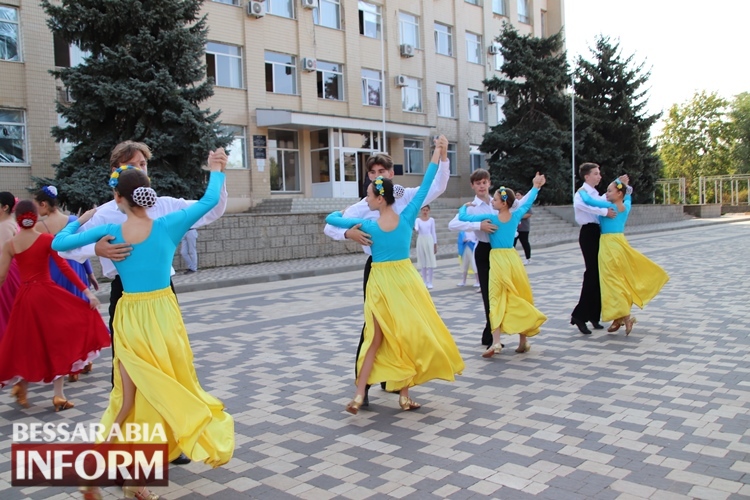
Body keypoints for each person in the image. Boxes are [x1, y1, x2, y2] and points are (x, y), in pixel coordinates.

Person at [52, 157, 234, 500]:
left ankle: (114, 478)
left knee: (126, 400)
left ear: (119, 200)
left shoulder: (111, 233)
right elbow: (210, 201)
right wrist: (216, 166)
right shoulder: (168, 224)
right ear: (147, 195)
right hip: (163, 318)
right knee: (161, 393)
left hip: (130, 319)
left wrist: (81, 223)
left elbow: (58, 244)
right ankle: (133, 479)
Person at [57, 141, 227, 425]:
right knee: (128, 372)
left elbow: (212, 208)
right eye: (133, 165)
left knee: (166, 365)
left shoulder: (165, 206)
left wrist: (221, 175)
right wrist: (96, 250)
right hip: (125, 293)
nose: (140, 170)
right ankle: (133, 432)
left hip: (160, 296)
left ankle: (167, 432)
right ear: (116, 173)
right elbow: (66, 250)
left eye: (143, 164)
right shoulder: (107, 215)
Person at [325, 141, 464, 415]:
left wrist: (442, 156)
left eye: (381, 170)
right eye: (372, 171)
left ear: (390, 173)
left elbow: (434, 186)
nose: (376, 175)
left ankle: (389, 382)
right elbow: (332, 225)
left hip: (397, 273)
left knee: (396, 330)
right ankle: (364, 391)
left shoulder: (406, 197)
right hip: (378, 269)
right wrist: (348, 233)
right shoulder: (364, 206)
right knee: (374, 330)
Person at [0, 200, 110, 412]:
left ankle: (21, 385)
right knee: (56, 341)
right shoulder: (46, 240)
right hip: (48, 295)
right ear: (34, 217)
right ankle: (58, 395)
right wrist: (86, 292)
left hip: (25, 299)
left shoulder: (11, 245)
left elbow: (2, 276)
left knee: (25, 341)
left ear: (19, 219)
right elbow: (65, 267)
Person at [457, 174, 548, 356]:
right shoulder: (515, 215)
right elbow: (528, 202)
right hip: (512, 260)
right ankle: (523, 340)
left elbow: (463, 216)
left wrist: (464, 206)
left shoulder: (491, 218)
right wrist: (536, 187)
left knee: (496, 298)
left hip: (497, 260)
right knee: (519, 295)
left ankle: (496, 342)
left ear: (504, 203)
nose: (493, 201)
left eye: (496, 199)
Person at [577, 178, 669, 334]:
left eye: (610, 191)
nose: (606, 193)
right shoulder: (625, 206)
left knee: (611, 281)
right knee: (618, 280)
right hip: (620, 242)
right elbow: (629, 195)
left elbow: (589, 201)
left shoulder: (609, 206)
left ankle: (625, 317)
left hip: (609, 245)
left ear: (619, 193)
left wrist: (582, 190)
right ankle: (619, 318)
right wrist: (620, 182)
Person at [34, 185, 99, 381]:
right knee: (79, 314)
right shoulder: (72, 221)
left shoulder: (40, 227)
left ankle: (68, 361)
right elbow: (83, 249)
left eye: (38, 205)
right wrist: (90, 274)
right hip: (76, 270)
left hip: (54, 273)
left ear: (44, 204)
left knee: (60, 317)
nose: (37, 210)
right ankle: (83, 359)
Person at [570, 163, 628, 335]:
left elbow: (605, 198)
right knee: (592, 273)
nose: (599, 176)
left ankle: (594, 314)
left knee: (599, 273)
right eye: (596, 173)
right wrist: (604, 213)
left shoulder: (595, 193)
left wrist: (619, 182)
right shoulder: (581, 192)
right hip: (588, 233)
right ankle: (579, 315)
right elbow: (583, 206)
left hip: (598, 233)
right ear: (587, 176)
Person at [0, 191, 20, 341]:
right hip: (12, 271)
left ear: (5, 207)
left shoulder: (5, 226)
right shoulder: (11, 223)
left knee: (5, 312)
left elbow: (3, 253)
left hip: (5, 272)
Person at [414, 205, 437, 289]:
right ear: (421, 211)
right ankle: (424, 281)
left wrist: (435, 244)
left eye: (426, 210)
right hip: (421, 240)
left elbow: (433, 232)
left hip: (429, 240)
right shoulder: (418, 220)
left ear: (429, 211)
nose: (425, 212)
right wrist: (415, 228)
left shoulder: (431, 220)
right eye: (423, 210)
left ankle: (430, 282)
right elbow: (416, 227)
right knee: (423, 261)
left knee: (430, 261)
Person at [513, 190, 532, 265]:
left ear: (522, 196)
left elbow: (529, 214)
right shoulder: (514, 205)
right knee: (512, 244)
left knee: (525, 243)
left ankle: (528, 258)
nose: (517, 197)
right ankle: (513, 259)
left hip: (524, 228)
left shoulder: (525, 204)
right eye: (516, 195)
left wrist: (518, 216)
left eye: (518, 195)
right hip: (515, 228)